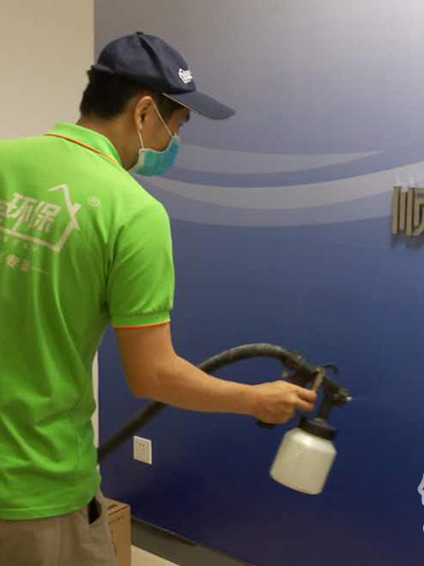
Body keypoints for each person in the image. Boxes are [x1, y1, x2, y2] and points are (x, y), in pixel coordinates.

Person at [0, 32, 317, 566]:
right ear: (144, 112)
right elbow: (152, 375)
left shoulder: (5, 159)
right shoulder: (133, 213)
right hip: (37, 490)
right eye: (178, 125)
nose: (174, 141)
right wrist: (253, 399)